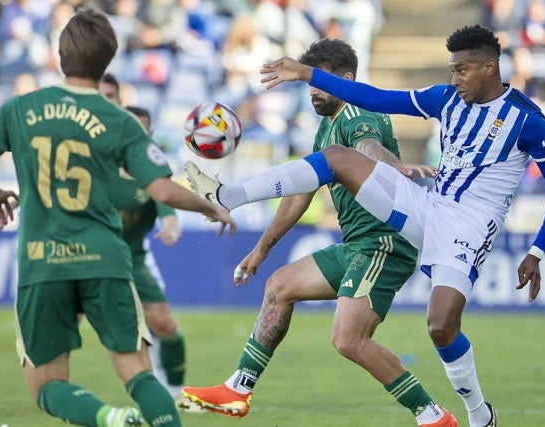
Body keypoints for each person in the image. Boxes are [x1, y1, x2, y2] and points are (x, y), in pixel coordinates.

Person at [187, 25, 545, 427]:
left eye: (462, 70)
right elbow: (378, 97)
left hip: (470, 227)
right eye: (452, 70)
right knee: (335, 158)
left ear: (489, 67)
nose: (455, 79)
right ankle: (228, 195)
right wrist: (305, 74)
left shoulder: (526, 120)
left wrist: (537, 251)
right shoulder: (445, 99)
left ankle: (479, 415)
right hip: (428, 205)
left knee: (440, 326)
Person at [0, 9, 234, 427]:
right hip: (103, 259)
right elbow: (162, 190)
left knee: (46, 386)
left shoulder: (20, 108)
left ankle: (108, 419)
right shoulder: (120, 121)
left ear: (59, 54)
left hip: (42, 261)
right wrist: (210, 206)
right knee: (138, 373)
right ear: (108, 60)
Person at [182, 39, 457, 427]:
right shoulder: (326, 129)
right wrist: (261, 250)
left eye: (320, 81)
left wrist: (395, 165)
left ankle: (434, 418)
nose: (311, 90)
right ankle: (238, 389)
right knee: (280, 286)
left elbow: (368, 145)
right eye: (309, 82)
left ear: (346, 79)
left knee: (348, 340)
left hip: (384, 244)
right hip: (358, 244)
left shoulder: (359, 110)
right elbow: (298, 197)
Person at [99, 73, 196, 407]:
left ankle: (176, 391)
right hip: (91, 257)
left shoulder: (152, 171)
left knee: (164, 325)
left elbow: (165, 204)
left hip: (134, 258)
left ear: (151, 135)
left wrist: (171, 225)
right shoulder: (99, 164)